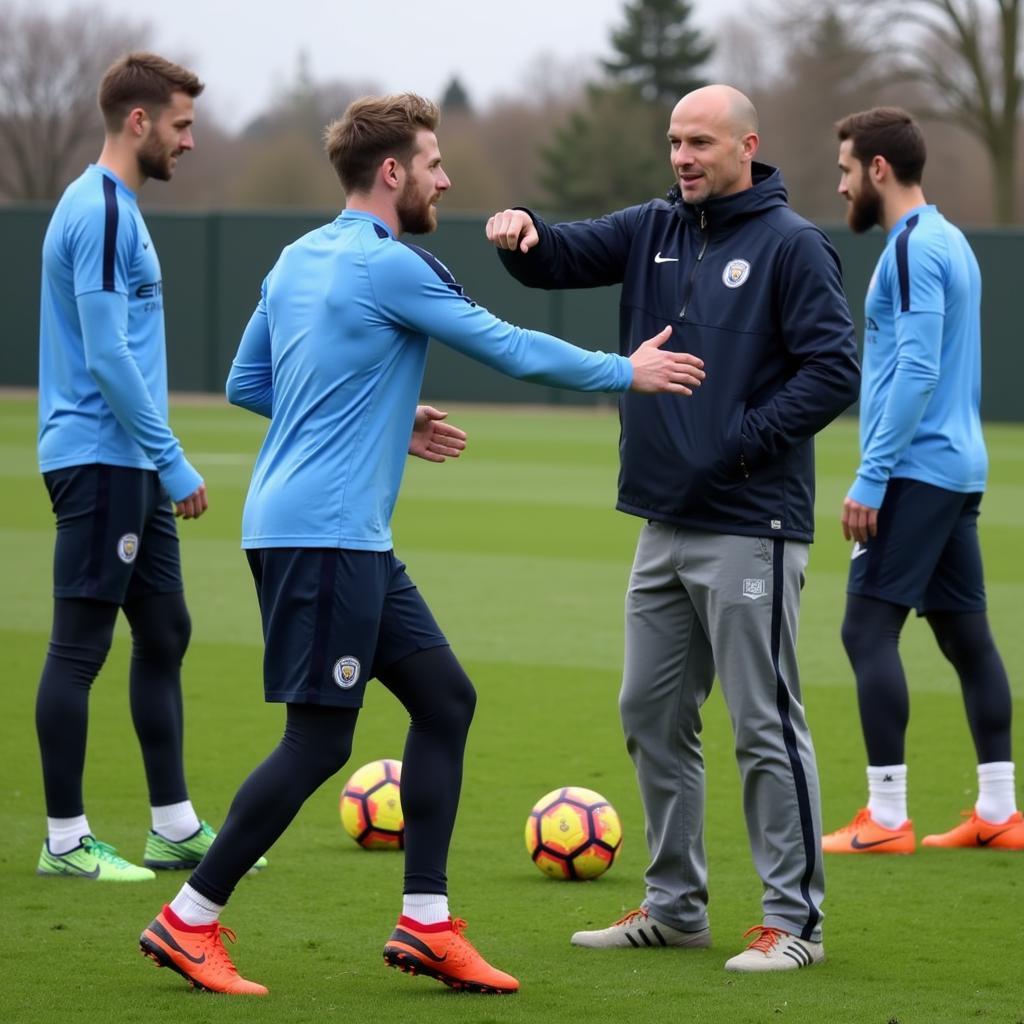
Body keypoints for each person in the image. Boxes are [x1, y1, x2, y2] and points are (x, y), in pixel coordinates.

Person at [137, 92, 704, 997]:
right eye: (435, 163)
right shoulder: (390, 264)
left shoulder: (294, 258)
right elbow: (511, 349)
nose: (446, 178)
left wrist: (383, 418)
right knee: (320, 742)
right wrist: (624, 371)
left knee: (445, 700)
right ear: (393, 172)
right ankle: (189, 918)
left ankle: (427, 924)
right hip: (323, 537)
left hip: (333, 533)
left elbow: (252, 381)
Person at [487, 84, 860, 972]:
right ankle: (674, 906)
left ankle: (793, 922)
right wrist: (523, 232)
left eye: (699, 142)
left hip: (751, 522)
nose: (683, 157)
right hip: (663, 520)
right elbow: (562, 256)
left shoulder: (792, 245)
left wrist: (741, 443)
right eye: (673, 143)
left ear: (746, 146)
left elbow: (834, 369)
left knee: (763, 721)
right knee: (650, 712)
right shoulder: (655, 225)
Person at [34, 52, 261, 883]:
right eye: (181, 125)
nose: (189, 141)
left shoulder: (119, 208)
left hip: (125, 458)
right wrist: (169, 460)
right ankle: (65, 841)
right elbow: (106, 355)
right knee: (78, 649)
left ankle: (172, 826)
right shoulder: (96, 211)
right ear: (139, 123)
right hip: (104, 458)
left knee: (165, 631)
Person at [821, 107, 1022, 855]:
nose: (840, 186)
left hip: (914, 469)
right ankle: (999, 811)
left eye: (845, 170)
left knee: (866, 629)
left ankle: (887, 818)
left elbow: (918, 367)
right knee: (966, 636)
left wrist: (872, 476)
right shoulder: (953, 241)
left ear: (878, 169)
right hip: (959, 469)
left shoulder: (909, 249)